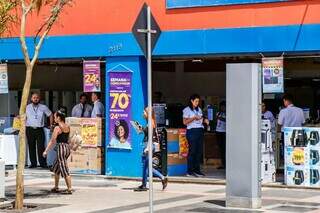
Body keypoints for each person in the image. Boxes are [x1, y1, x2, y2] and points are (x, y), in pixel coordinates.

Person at [135, 107, 168, 191]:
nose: (143, 113)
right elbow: (147, 133)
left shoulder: (150, 122)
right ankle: (144, 185)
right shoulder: (149, 122)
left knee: (147, 167)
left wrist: (147, 148)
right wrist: (140, 128)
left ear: (148, 113)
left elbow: (150, 137)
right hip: (149, 145)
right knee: (146, 166)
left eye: (144, 112)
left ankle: (162, 177)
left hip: (149, 145)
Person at [43, 108, 72, 194]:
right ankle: (56, 187)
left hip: (61, 148)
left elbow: (52, 140)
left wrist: (46, 151)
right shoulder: (67, 126)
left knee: (64, 168)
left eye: (55, 117)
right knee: (56, 168)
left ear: (59, 118)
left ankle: (69, 188)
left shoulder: (57, 128)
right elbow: (69, 139)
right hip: (66, 148)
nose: (54, 118)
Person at [183, 94, 209, 177]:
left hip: (199, 130)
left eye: (198, 101)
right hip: (191, 131)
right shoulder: (187, 110)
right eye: (196, 101)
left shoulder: (199, 109)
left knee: (199, 151)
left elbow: (200, 119)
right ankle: (190, 171)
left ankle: (197, 170)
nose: (197, 103)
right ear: (191, 101)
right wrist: (194, 118)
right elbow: (184, 122)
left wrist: (205, 120)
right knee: (192, 151)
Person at [26, 92, 53, 168]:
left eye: (37, 98)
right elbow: (23, 117)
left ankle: (43, 164)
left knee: (41, 147)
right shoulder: (27, 107)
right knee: (31, 146)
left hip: (39, 130)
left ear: (39, 99)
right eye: (34, 98)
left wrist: (51, 125)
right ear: (31, 99)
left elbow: (50, 114)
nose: (35, 99)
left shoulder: (43, 107)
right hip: (29, 129)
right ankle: (33, 164)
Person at [216, 101, 226, 170]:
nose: (222, 108)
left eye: (223, 106)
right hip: (218, 131)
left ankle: (226, 164)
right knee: (221, 149)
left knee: (225, 149)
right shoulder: (218, 113)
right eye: (221, 106)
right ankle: (223, 164)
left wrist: (220, 118)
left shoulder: (227, 113)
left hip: (224, 132)